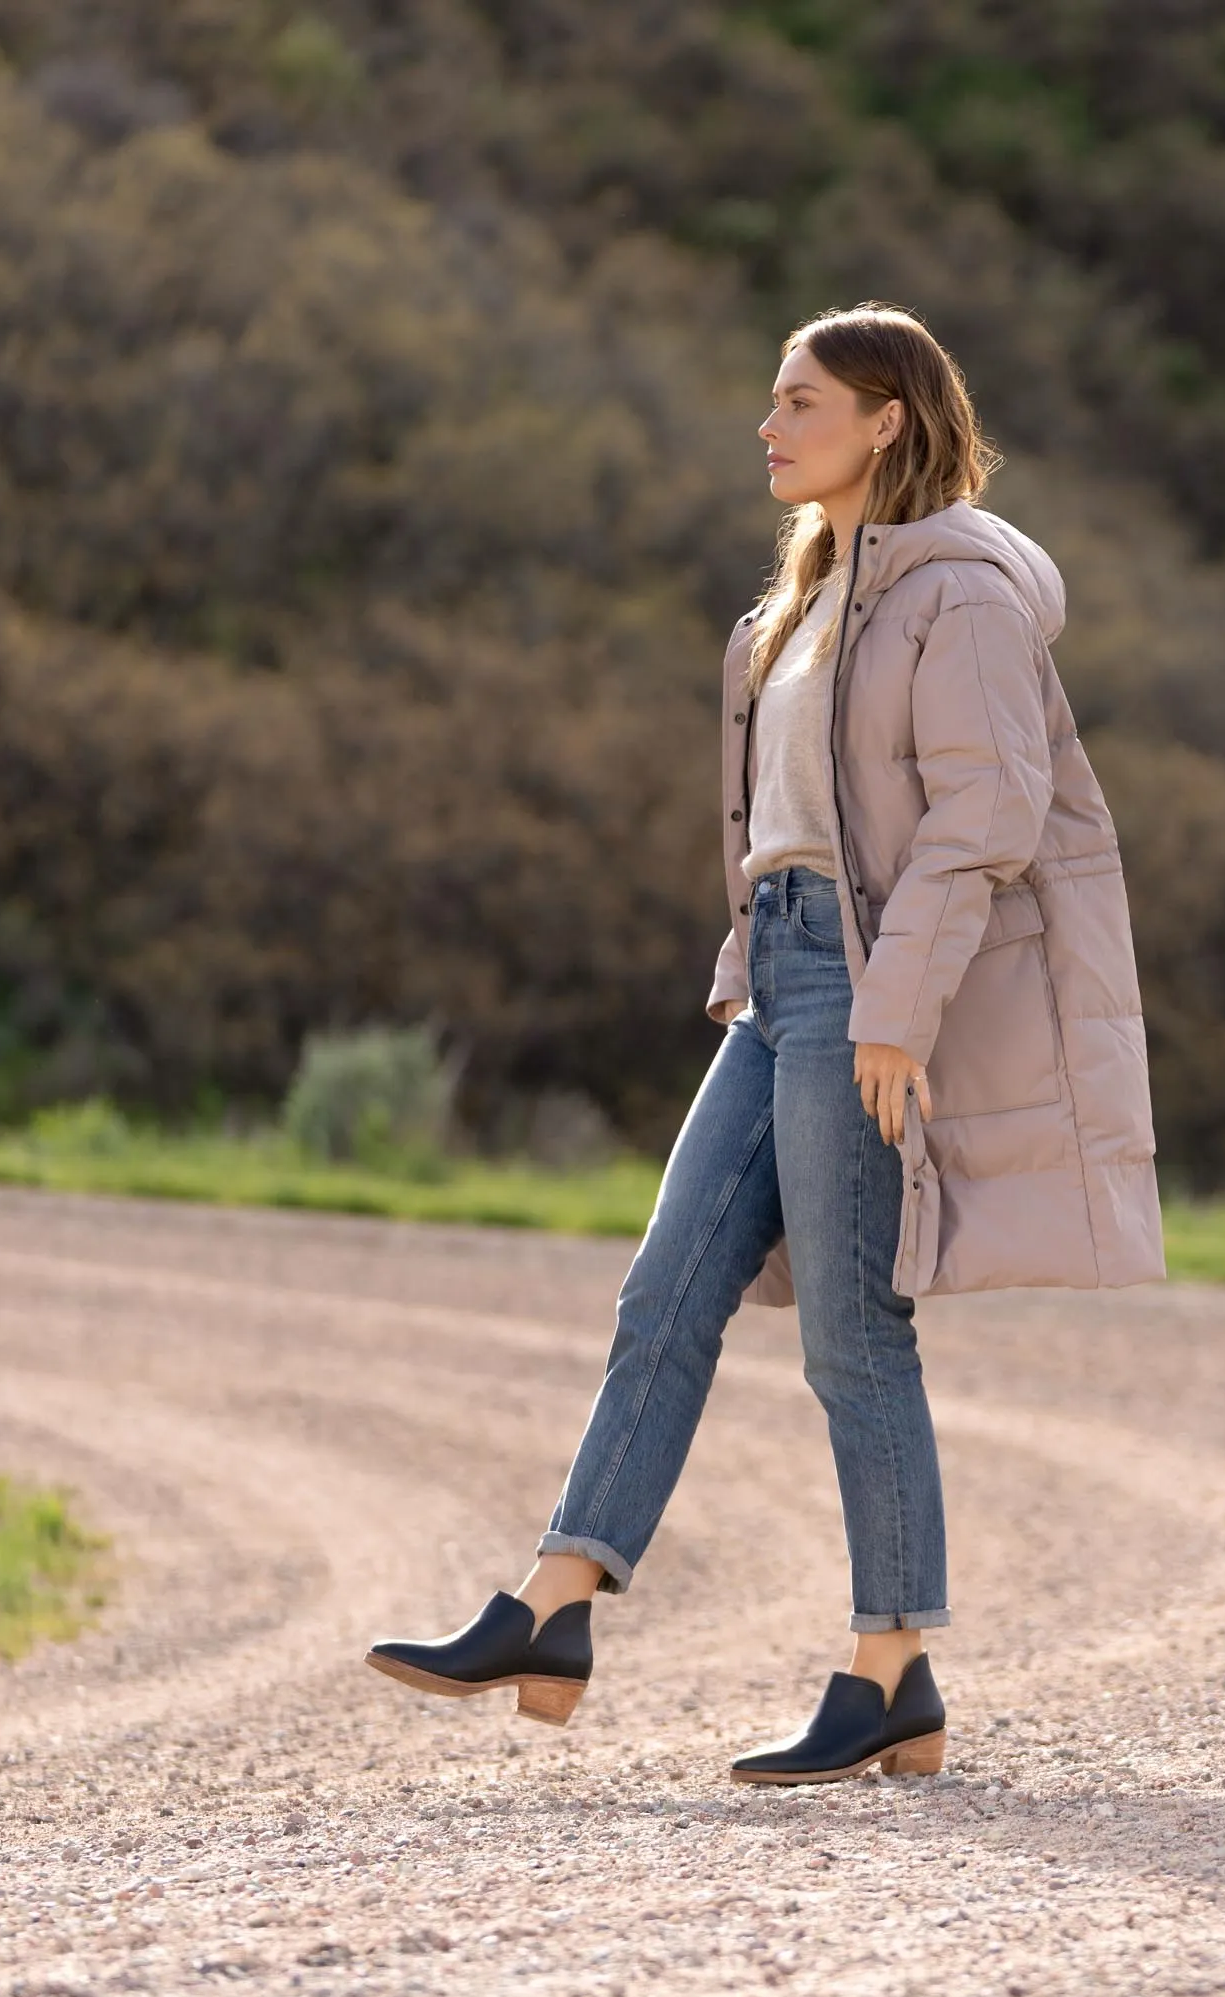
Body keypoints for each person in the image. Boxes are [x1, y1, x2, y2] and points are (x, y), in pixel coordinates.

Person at [364, 302, 1164, 1786]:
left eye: (801, 402)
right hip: (782, 978)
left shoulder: (963, 596)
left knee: (857, 1337)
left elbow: (983, 821)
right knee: (662, 1293)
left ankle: (889, 1666)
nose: (769, 424)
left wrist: (896, 1014)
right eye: (773, 399)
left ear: (886, 422)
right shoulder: (799, 601)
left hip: (867, 993)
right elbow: (784, 831)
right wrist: (754, 971)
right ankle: (551, 1605)